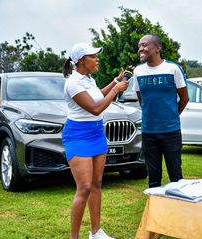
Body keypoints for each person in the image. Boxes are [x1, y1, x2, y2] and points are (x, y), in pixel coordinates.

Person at [62, 42, 129, 239]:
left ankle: (96, 232)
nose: (97, 59)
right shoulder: (72, 82)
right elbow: (95, 108)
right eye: (94, 56)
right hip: (78, 135)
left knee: (96, 184)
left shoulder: (88, 79)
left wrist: (114, 82)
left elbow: (98, 96)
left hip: (97, 132)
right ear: (82, 60)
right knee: (83, 188)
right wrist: (116, 91)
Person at [132, 34, 189, 188]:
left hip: (171, 131)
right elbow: (142, 99)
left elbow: (184, 98)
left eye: (144, 45)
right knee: (153, 179)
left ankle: (179, 209)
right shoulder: (138, 71)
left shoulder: (173, 69)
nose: (140, 49)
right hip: (149, 132)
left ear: (158, 48)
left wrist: (171, 116)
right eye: (139, 46)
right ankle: (155, 211)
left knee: (176, 177)